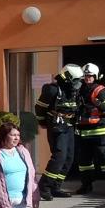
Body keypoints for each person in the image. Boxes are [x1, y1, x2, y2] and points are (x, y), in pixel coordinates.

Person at [34, 65, 82, 200]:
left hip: (69, 125)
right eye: (75, 80)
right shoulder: (52, 90)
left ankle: (56, 186)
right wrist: (43, 122)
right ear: (66, 77)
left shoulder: (73, 90)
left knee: (69, 158)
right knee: (59, 156)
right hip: (57, 125)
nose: (77, 84)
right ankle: (44, 187)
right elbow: (39, 108)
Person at [74, 63, 105, 194]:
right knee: (84, 162)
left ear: (96, 76)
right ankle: (86, 185)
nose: (88, 78)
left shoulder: (100, 90)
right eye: (86, 76)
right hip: (83, 131)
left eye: (90, 76)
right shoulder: (79, 90)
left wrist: (99, 104)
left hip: (99, 131)